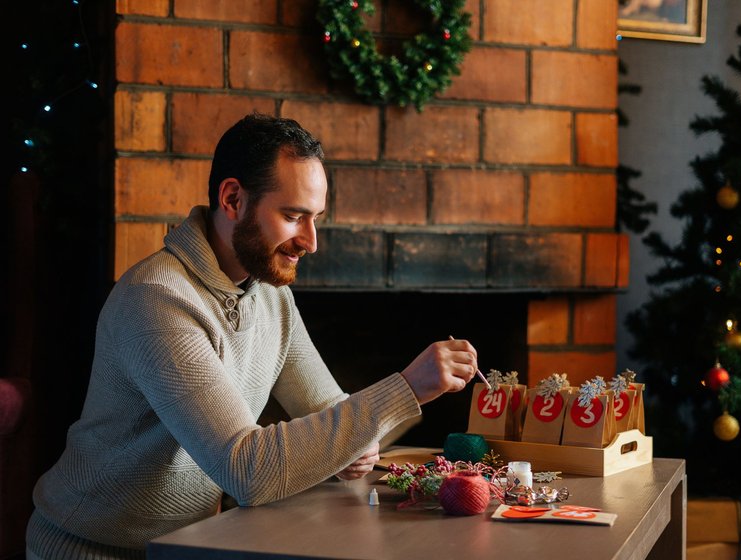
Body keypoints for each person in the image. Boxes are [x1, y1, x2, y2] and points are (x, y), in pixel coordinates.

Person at [26, 113, 479, 559]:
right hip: (93, 548)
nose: (311, 241)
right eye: (293, 215)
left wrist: (352, 445)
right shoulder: (157, 299)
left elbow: (329, 409)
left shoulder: (269, 295)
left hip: (191, 545)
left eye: (315, 217)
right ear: (232, 199)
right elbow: (247, 470)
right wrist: (405, 390)